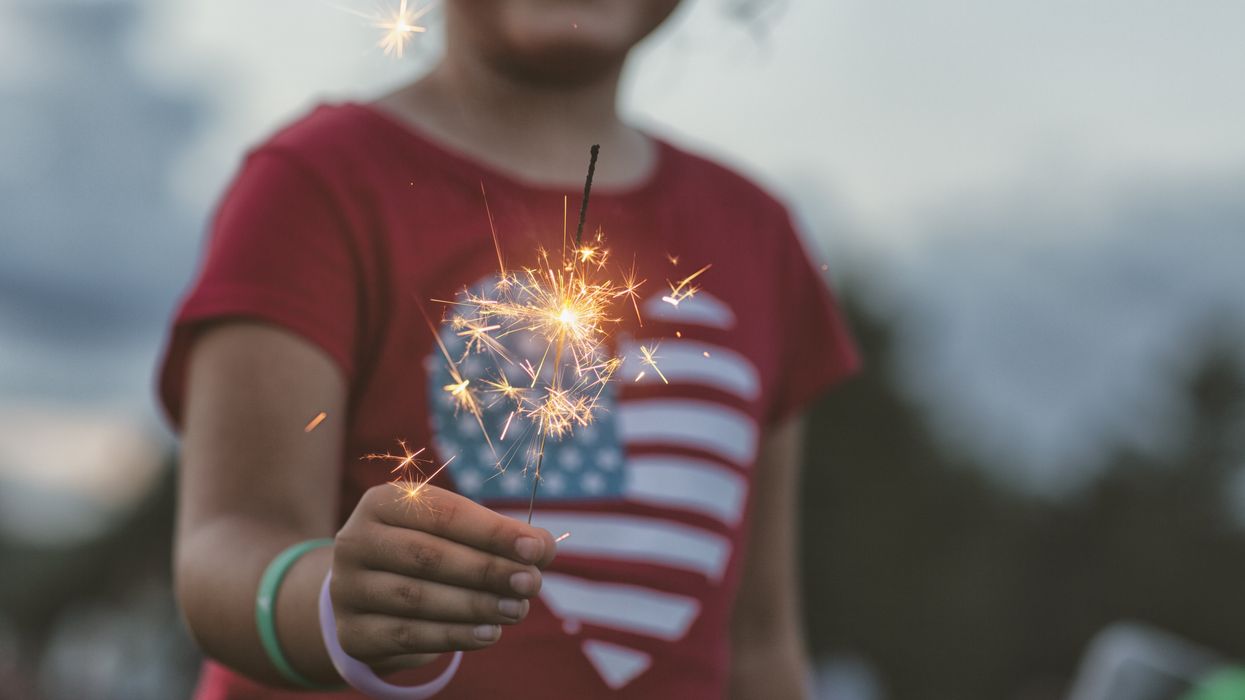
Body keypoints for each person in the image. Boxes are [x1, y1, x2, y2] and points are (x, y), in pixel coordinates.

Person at [158, 1, 859, 698]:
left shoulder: (757, 241)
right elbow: (229, 541)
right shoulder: (315, 187)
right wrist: (325, 604)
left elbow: (760, 642)